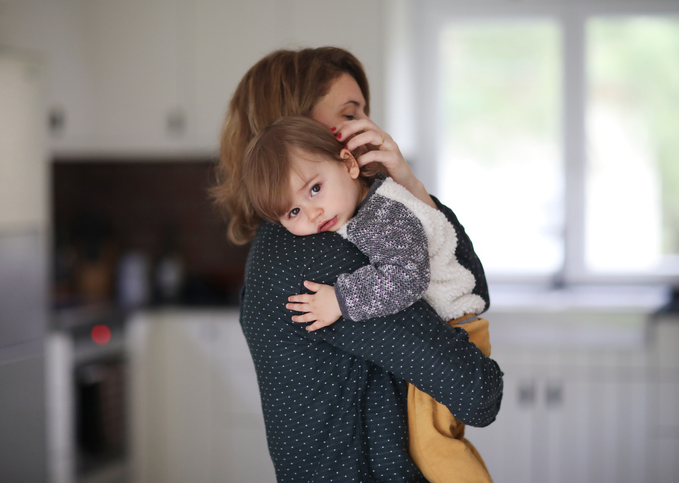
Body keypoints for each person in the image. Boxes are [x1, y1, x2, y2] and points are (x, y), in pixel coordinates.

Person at [212, 47, 502, 482]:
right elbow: (479, 393)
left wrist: (409, 185)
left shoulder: (295, 238)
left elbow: (466, 286)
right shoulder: (318, 249)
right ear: (298, 127)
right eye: (350, 115)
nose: (368, 129)